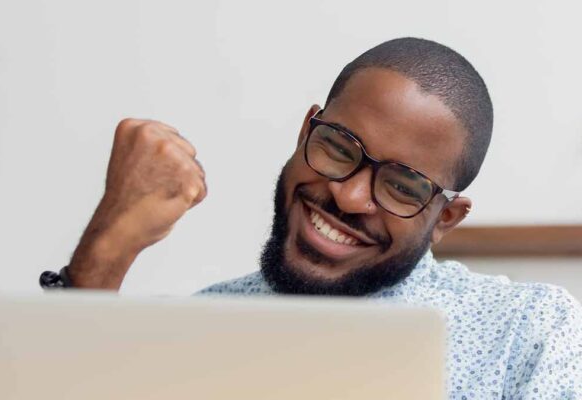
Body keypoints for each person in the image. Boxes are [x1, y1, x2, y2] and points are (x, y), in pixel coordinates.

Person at [42, 38, 582, 398]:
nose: (348, 197)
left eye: (400, 185)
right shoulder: (201, 325)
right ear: (306, 132)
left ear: (446, 218)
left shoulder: (527, 333)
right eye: (339, 147)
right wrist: (105, 252)